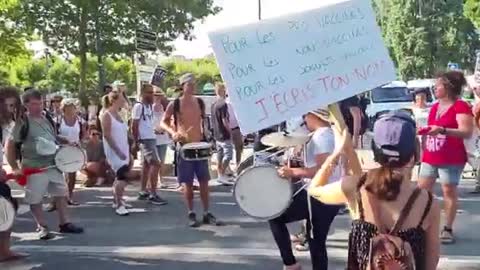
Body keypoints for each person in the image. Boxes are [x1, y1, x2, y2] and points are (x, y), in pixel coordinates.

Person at [308, 111, 440, 270]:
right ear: (415, 154)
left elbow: (314, 190)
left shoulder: (355, 187)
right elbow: (431, 261)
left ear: (375, 153)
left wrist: (336, 154)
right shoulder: (428, 203)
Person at [5, 89, 84, 240]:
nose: (38, 107)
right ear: (26, 104)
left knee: (61, 194)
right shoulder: (22, 121)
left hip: (52, 164)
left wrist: (66, 140)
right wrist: (15, 168)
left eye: (40, 103)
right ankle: (42, 226)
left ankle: (64, 223)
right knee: (35, 198)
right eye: (34, 104)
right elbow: (10, 145)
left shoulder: (47, 118)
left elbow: (53, 137)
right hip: (34, 166)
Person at [270, 108, 341, 270]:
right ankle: (293, 263)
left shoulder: (323, 136)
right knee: (316, 243)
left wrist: (293, 172)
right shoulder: (329, 133)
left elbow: (323, 169)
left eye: (304, 115)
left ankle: (290, 263)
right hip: (327, 195)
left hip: (321, 196)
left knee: (275, 216)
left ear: (312, 115)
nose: (303, 120)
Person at [418, 71, 473, 244]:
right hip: (430, 155)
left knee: (449, 191)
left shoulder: (461, 106)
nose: (435, 87)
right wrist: (422, 147)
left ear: (448, 87)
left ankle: (447, 228)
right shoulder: (435, 106)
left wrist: (442, 130)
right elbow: (430, 129)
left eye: (438, 85)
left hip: (451, 158)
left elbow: (467, 132)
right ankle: (421, 225)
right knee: (421, 192)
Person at [161, 73, 221, 227]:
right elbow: (163, 122)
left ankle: (207, 212)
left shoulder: (200, 102)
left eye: (194, 84)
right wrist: (173, 132)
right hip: (184, 147)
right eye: (189, 84)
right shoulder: (174, 104)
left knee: (204, 181)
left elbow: (203, 123)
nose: (193, 86)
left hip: (199, 145)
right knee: (187, 183)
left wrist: (208, 137)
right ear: (183, 86)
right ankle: (191, 212)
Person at [0, 86, 27, 262]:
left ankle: (4, 251)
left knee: (9, 207)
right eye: (9, 106)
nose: (12, 110)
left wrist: (10, 169)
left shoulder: (6, 125)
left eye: (14, 106)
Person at [101, 90, 136, 216]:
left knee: (120, 177)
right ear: (114, 100)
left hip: (124, 149)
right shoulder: (107, 115)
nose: (124, 100)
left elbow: (124, 132)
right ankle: (120, 205)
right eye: (121, 98)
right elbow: (107, 135)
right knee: (122, 177)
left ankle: (117, 200)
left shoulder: (119, 114)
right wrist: (118, 151)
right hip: (115, 151)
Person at [132, 84, 167, 205]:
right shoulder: (139, 106)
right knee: (156, 164)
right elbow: (134, 124)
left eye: (152, 93)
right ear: (143, 94)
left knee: (147, 165)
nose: (152, 95)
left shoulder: (148, 107)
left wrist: (155, 130)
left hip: (151, 137)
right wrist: (136, 141)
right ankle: (153, 193)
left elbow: (147, 124)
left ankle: (143, 191)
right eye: (149, 93)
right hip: (146, 139)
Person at [57, 98, 86, 205]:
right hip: (61, 149)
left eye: (72, 108)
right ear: (63, 108)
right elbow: (54, 134)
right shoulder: (58, 120)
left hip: (75, 149)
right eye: (68, 108)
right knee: (59, 174)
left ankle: (69, 196)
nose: (70, 110)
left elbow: (84, 135)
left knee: (72, 174)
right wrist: (64, 141)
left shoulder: (80, 120)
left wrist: (80, 142)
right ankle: (57, 198)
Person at [211, 82, 234, 185]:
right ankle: (222, 174)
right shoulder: (223, 104)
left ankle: (220, 175)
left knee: (219, 156)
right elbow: (225, 120)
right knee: (228, 155)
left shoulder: (213, 104)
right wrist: (230, 131)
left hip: (217, 134)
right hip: (224, 134)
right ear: (222, 91)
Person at [152, 87, 171, 188]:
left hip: (163, 138)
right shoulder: (150, 108)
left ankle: (161, 179)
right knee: (155, 160)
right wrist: (154, 129)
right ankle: (153, 180)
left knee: (162, 160)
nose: (157, 98)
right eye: (156, 96)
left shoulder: (164, 108)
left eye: (159, 96)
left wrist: (165, 129)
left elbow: (167, 120)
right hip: (153, 138)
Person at [225, 92, 243, 170]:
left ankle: (238, 165)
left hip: (237, 128)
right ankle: (229, 167)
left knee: (238, 148)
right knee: (229, 150)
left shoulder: (237, 102)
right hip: (229, 128)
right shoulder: (225, 103)